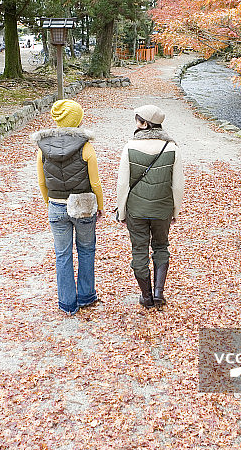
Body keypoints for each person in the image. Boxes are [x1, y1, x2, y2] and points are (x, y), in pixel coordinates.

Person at [33, 99, 103, 315]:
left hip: (56, 205)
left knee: (62, 254)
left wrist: (50, 203)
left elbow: (42, 182)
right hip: (82, 206)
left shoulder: (42, 147)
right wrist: (100, 205)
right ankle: (86, 295)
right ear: (77, 120)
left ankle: (67, 303)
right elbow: (95, 182)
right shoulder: (86, 146)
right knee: (86, 249)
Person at [116, 104, 184, 310]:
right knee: (161, 247)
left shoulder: (130, 147)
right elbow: (178, 185)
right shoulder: (171, 148)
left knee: (139, 250)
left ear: (145, 124)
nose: (135, 124)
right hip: (162, 209)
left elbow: (122, 184)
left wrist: (121, 211)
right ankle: (158, 293)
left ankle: (146, 296)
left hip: (136, 210)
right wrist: (175, 210)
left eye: (138, 120)